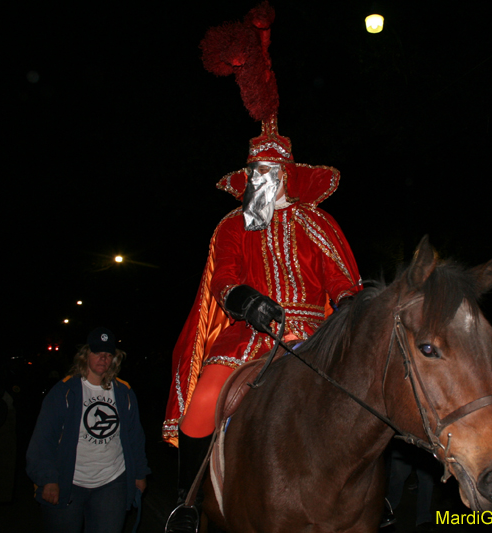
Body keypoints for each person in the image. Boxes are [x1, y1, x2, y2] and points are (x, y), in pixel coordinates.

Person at [163, 5, 362, 532]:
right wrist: (246, 301)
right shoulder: (232, 225)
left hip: (314, 335)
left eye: (272, 172)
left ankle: (367, 496)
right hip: (248, 334)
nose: (264, 180)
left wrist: (344, 317)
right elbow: (222, 277)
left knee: (358, 398)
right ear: (249, 176)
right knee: (202, 404)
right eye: (257, 173)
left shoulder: (315, 222)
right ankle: (188, 501)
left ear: (288, 173)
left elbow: (345, 284)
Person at [26, 327, 150, 533]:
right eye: (97, 353)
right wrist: (47, 479)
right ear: (85, 355)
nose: (103, 358)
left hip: (111, 482)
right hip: (70, 481)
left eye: (109, 354)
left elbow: (135, 437)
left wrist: (139, 473)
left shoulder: (124, 392)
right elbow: (43, 439)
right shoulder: (65, 391)